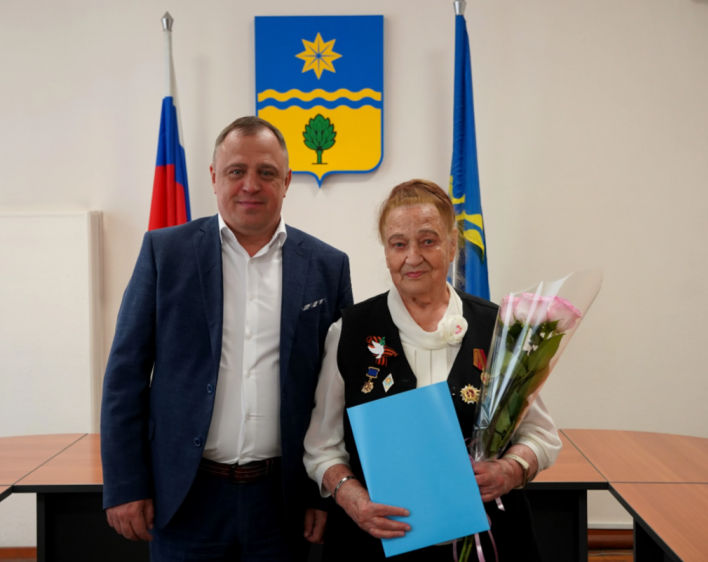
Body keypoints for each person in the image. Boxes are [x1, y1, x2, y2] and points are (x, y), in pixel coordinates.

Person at [100, 116, 354, 561]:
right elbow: (125, 377)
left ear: (286, 181)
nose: (250, 185)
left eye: (266, 172)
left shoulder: (327, 266)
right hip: (184, 497)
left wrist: (324, 493)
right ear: (215, 177)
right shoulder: (165, 254)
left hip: (283, 503)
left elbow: (337, 393)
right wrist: (125, 484)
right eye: (237, 171)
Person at [303, 179, 562, 561]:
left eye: (428, 241)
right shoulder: (350, 332)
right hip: (377, 542)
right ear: (386, 252)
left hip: (487, 540)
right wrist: (353, 499)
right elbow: (321, 448)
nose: (412, 257)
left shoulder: (497, 329)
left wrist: (510, 470)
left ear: (453, 245)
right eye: (398, 244)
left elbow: (541, 435)